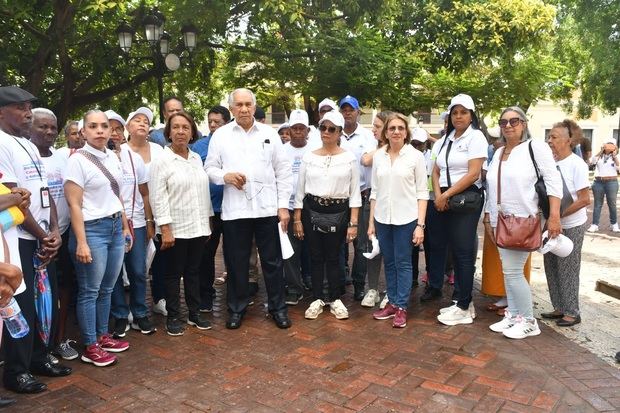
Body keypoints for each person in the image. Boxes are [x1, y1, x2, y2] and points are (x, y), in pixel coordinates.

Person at [0, 87, 70, 394]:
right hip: (21, 239)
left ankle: (40, 357)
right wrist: (42, 236)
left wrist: (53, 230)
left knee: (45, 303)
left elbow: (44, 192)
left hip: (42, 236)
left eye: (29, 106)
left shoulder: (26, 143)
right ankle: (17, 370)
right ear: (1, 112)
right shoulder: (2, 143)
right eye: (19, 107)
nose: (27, 112)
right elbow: (14, 198)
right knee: (22, 304)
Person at [205, 88, 293, 330]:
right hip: (235, 211)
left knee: (273, 263)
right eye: (239, 105)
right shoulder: (221, 135)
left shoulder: (269, 134)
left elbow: (283, 172)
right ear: (231, 108)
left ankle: (278, 308)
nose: (244, 109)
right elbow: (210, 169)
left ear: (254, 107)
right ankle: (236, 309)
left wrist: (283, 206)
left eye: (248, 104)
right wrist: (226, 176)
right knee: (236, 263)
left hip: (266, 210)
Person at [484, 106, 562, 339]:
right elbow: (493, 187)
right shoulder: (498, 152)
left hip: (523, 218)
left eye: (514, 121)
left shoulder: (534, 147)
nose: (508, 125)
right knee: (508, 271)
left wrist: (554, 216)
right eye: (503, 122)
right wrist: (488, 216)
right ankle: (515, 314)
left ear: (524, 123)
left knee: (514, 271)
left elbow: (552, 180)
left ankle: (529, 320)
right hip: (501, 218)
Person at [64, 109, 132, 366]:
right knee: (90, 290)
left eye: (104, 126)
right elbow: (74, 205)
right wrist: (81, 242)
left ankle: (103, 336)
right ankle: (90, 345)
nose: (100, 130)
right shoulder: (77, 160)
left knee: (107, 288)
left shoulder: (113, 157)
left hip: (115, 227)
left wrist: (125, 227)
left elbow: (118, 197)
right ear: (83, 132)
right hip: (91, 230)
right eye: (93, 126)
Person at [149, 111, 213, 335]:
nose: (180, 132)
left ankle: (194, 313)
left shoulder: (195, 158)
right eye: (175, 127)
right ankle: (174, 317)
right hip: (174, 228)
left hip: (197, 226)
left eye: (185, 127)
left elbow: (202, 193)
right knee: (173, 274)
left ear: (192, 132)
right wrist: (165, 228)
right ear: (168, 132)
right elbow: (157, 197)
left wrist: (207, 223)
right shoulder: (162, 160)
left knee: (194, 271)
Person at [293, 111, 360, 320]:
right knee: (315, 256)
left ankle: (334, 297)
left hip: (338, 210)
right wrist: (297, 218)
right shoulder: (309, 157)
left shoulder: (349, 158)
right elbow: (300, 190)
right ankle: (316, 297)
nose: (327, 132)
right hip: (312, 209)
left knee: (334, 256)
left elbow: (355, 192)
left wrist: (353, 223)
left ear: (340, 132)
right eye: (323, 127)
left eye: (332, 129)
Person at [368, 113, 428, 328]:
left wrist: (420, 225)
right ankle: (392, 302)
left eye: (400, 128)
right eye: (392, 128)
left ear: (406, 132)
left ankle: (402, 306)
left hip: (406, 218)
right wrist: (371, 222)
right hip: (383, 217)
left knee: (403, 262)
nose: (396, 131)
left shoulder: (415, 157)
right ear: (386, 132)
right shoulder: (379, 157)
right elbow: (375, 190)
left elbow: (422, 193)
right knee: (390, 262)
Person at [431, 94, 487, 326]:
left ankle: (464, 303)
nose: (458, 116)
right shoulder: (446, 139)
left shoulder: (476, 137)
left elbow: (474, 172)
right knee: (451, 249)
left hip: (465, 199)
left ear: (471, 115)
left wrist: (446, 195)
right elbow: (435, 170)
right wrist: (438, 195)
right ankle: (463, 303)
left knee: (463, 253)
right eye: (455, 112)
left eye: (463, 112)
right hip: (444, 198)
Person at [28, 109, 79, 361]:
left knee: (63, 288)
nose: (49, 132)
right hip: (31, 237)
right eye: (42, 127)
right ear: (29, 126)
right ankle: (35, 347)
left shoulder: (62, 159)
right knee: (34, 294)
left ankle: (58, 340)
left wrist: (58, 232)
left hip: (63, 234)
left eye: (52, 127)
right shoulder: (23, 155)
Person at [106, 110, 157, 337]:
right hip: (110, 224)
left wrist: (148, 221)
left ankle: (139, 313)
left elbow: (144, 192)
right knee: (114, 273)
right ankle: (119, 315)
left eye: (118, 129)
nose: (114, 133)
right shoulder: (95, 158)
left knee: (138, 270)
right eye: (110, 128)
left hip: (135, 222)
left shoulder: (133, 158)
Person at [543, 120, 591, 326]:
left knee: (568, 267)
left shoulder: (576, 164)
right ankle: (559, 307)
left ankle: (572, 311)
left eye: (554, 137)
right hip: (552, 224)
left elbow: (584, 199)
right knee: (551, 265)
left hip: (571, 225)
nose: (549, 140)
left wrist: (558, 216)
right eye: (549, 137)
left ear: (568, 141)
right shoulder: (550, 163)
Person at [124, 107, 166, 315]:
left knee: (159, 259)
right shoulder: (120, 152)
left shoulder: (159, 151)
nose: (142, 124)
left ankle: (159, 299)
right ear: (127, 127)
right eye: (137, 120)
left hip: (159, 212)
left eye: (146, 122)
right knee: (134, 266)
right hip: (133, 217)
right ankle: (130, 307)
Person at [191, 105, 231, 310]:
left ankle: (235, 292)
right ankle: (205, 293)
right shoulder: (198, 146)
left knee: (234, 252)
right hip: (209, 210)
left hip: (233, 208)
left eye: (218, 122)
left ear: (227, 123)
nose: (213, 125)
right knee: (206, 253)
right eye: (210, 122)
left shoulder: (234, 143)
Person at [339, 95, 376, 301]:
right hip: (339, 197)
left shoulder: (368, 137)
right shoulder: (334, 133)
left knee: (361, 244)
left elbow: (370, 161)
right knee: (338, 242)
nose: (347, 113)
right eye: (344, 109)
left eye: (351, 109)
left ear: (358, 112)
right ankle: (340, 279)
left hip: (361, 195)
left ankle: (359, 284)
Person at [359, 111, 392, 307]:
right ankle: (372, 289)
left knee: (391, 248)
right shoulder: (373, 146)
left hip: (393, 201)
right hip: (371, 199)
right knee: (372, 245)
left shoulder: (402, 150)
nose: (373, 130)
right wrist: (386, 146)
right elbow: (365, 160)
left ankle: (391, 290)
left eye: (378, 126)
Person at [282, 110, 312, 305]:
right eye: (295, 128)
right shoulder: (281, 150)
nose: (298, 132)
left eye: (302, 128)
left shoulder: (316, 149)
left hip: (312, 207)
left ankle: (311, 280)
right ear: (289, 130)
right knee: (290, 250)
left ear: (308, 130)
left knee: (313, 248)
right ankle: (293, 287)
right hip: (289, 207)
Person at [588, 137, 619, 233]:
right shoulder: (599, 156)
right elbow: (592, 162)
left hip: (612, 182)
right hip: (598, 182)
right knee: (597, 204)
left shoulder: (617, 156)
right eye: (607, 144)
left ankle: (614, 224)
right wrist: (601, 151)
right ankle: (594, 225)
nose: (609, 146)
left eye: (611, 144)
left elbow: (619, 169)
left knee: (612, 204)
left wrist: (615, 157)